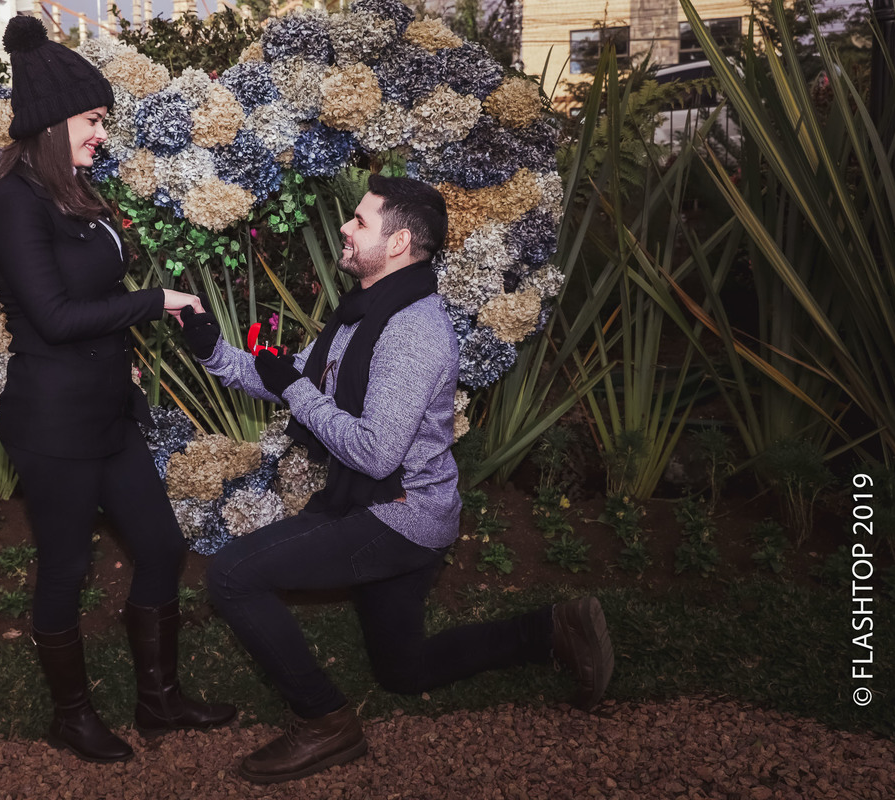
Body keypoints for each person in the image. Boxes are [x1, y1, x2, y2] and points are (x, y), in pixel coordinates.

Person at [179, 175, 614, 784]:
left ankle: (325, 723)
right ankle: (554, 629)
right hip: (388, 505)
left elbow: (375, 453)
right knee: (404, 672)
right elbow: (293, 377)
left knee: (232, 575)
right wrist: (212, 349)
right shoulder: (361, 315)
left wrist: (296, 389)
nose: (345, 228)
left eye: (360, 221)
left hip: (398, 514)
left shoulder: (413, 331)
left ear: (400, 241)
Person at [0, 14, 234, 763]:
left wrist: (123, 351)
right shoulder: (13, 203)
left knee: (161, 546)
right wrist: (156, 301)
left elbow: (93, 295)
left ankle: (160, 702)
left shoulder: (72, 192)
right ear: (53, 122)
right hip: (54, 424)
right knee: (66, 568)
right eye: (93, 119)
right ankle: (73, 717)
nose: (101, 133)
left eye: (103, 120)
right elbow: (54, 316)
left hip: (109, 411)